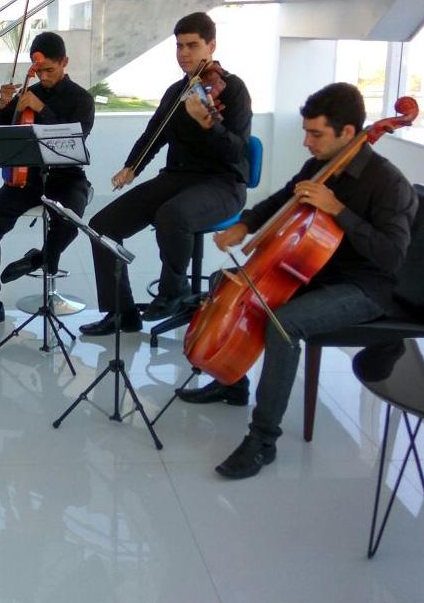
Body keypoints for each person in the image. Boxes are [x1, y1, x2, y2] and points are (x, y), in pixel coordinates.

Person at [177, 82, 418, 479]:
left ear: (347, 133)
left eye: (315, 133)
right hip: (313, 270)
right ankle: (231, 379)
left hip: (365, 287)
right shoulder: (321, 166)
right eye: (306, 131)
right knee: (232, 281)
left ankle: (262, 440)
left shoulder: (389, 184)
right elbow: (285, 199)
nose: (306, 141)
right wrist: (245, 224)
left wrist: (339, 210)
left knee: (284, 324)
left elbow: (392, 257)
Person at [79, 12, 252, 337]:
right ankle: (121, 312)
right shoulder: (178, 91)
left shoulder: (232, 91)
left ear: (211, 45)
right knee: (101, 227)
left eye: (192, 45)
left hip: (223, 184)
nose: (183, 53)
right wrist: (132, 167)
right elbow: (154, 134)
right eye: (179, 46)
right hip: (177, 179)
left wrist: (210, 124)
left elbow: (236, 152)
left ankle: (175, 291)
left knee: (173, 214)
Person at [0, 32, 95, 331]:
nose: (44, 78)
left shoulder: (81, 98)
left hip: (68, 178)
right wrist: (4, 103)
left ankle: (39, 258)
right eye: (39, 72)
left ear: (64, 63)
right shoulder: (26, 94)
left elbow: (78, 136)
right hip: (29, 178)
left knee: (71, 220)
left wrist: (43, 109)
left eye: (50, 70)